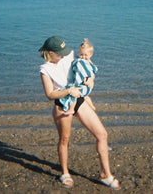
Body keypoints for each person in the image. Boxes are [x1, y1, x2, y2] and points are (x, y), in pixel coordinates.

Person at [39, 36, 120, 190]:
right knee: (65, 140)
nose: (64, 55)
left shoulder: (69, 55)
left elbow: (87, 65)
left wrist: (91, 79)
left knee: (102, 134)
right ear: (51, 53)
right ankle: (64, 173)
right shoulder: (45, 69)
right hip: (62, 104)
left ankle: (106, 175)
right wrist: (69, 90)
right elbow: (49, 94)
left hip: (80, 100)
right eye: (59, 53)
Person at [58, 38, 97, 114]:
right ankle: (92, 106)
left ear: (90, 55)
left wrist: (91, 79)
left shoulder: (89, 63)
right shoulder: (80, 61)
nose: (83, 57)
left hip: (84, 84)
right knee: (85, 96)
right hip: (84, 85)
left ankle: (71, 109)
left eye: (86, 55)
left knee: (74, 95)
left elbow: (92, 72)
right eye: (81, 54)